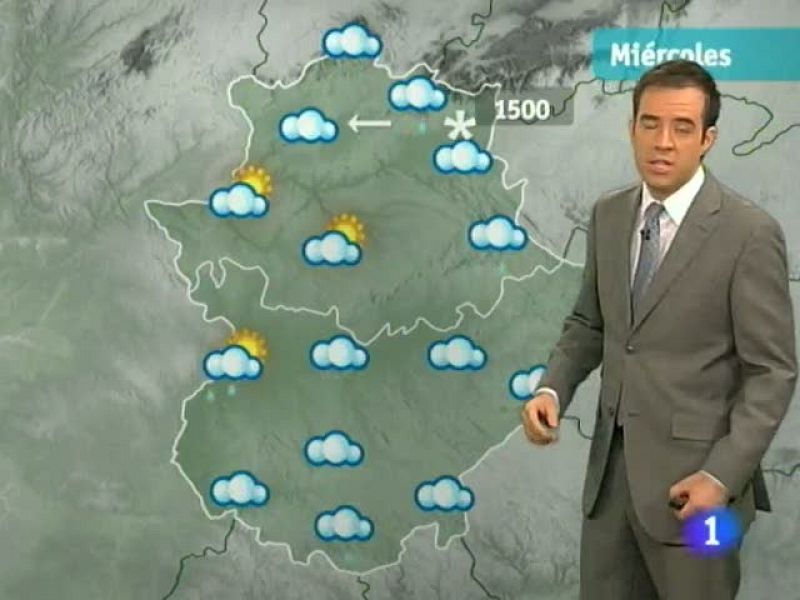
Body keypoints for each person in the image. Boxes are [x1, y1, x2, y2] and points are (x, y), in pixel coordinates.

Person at [520, 59, 797, 599]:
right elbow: (589, 324)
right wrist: (552, 389)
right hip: (610, 494)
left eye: (682, 127)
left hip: (699, 498)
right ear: (632, 128)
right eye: (650, 124)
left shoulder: (749, 234)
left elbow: (772, 372)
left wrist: (720, 477)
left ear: (708, 139)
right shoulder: (608, 216)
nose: (662, 142)